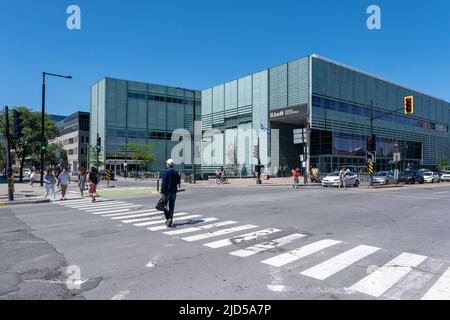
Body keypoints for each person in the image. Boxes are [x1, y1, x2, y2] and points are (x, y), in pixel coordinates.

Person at [160, 159, 180, 228]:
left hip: (166, 191)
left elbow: (164, 182)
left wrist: (162, 191)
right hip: (174, 191)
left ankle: (168, 218)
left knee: (165, 205)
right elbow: (178, 181)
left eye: (166, 163)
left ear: (168, 164)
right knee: (172, 207)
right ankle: (170, 221)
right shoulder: (176, 171)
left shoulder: (166, 171)